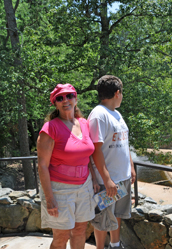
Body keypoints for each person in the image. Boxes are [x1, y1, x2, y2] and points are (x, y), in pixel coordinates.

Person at [37, 83, 98, 249]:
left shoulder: (84, 124)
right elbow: (42, 166)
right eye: (60, 98)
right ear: (55, 103)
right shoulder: (50, 129)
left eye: (69, 96)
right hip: (60, 189)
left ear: (76, 99)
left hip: (84, 187)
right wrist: (50, 199)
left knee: (80, 231)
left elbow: (88, 155)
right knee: (61, 236)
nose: (66, 100)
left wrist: (93, 179)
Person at [88, 75, 136, 249]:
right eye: (122, 93)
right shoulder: (98, 115)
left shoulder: (116, 113)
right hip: (106, 181)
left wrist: (130, 166)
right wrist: (107, 180)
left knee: (117, 214)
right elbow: (95, 150)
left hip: (121, 178)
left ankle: (115, 245)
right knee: (102, 218)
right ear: (117, 93)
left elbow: (124, 142)